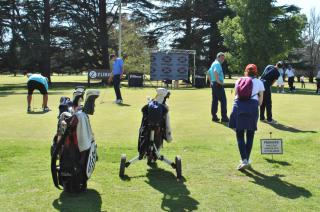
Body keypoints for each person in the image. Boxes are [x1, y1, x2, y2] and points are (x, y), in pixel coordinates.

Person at [229, 64, 265, 170]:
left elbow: (236, 94)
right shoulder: (259, 82)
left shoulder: (239, 80)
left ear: (246, 71)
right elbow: (260, 101)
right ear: (256, 72)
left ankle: (244, 160)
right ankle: (246, 160)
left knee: (239, 134)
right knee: (250, 134)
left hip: (238, 106)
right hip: (252, 107)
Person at [207, 52, 229, 123]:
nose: (223, 60)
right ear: (218, 57)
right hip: (218, 85)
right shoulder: (217, 64)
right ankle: (224, 117)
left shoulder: (213, 63)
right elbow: (215, 72)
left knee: (215, 101)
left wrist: (211, 82)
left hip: (214, 85)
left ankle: (214, 116)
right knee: (223, 101)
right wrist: (218, 81)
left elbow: (208, 73)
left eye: (224, 58)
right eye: (222, 58)